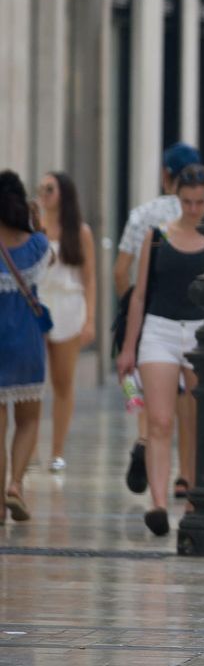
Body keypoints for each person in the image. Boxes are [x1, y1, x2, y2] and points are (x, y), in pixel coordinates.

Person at [116, 164, 204, 536]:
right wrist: (128, 347)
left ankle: (192, 494)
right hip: (159, 328)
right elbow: (139, 295)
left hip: (202, 332)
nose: (193, 209)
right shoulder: (156, 237)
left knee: (200, 420)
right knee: (160, 420)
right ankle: (158, 503)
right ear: (178, 200)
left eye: (200, 202)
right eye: (187, 202)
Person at [35, 171, 95, 474]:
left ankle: (57, 450)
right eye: (41, 188)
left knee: (62, 381)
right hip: (36, 304)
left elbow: (89, 277)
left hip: (69, 306)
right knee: (32, 380)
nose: (44, 193)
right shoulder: (33, 228)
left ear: (63, 193)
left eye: (50, 188)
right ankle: (30, 447)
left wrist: (90, 319)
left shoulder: (79, 232)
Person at [0, 172, 49, 522]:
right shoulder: (36, 246)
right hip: (28, 343)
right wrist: (37, 223)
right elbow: (53, 262)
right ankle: (15, 484)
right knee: (28, 421)